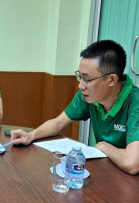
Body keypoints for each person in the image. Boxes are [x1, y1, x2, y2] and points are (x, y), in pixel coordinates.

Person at [10, 40, 139, 175]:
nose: (81, 86)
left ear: (112, 80)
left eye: (87, 79)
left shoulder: (135, 102)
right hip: (110, 171)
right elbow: (59, 122)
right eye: (80, 77)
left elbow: (132, 163)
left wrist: (104, 146)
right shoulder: (89, 95)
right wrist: (31, 135)